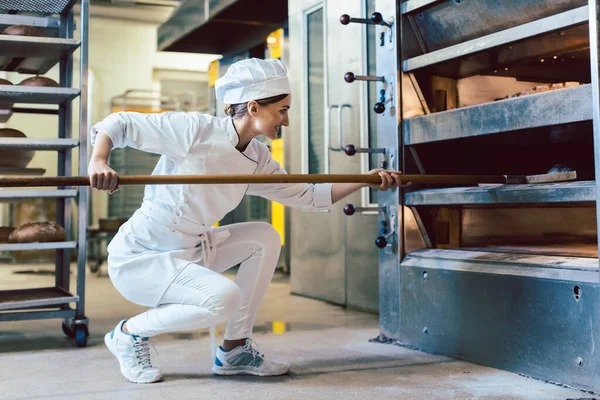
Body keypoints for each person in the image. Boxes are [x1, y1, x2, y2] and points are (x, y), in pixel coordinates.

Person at [88, 58, 405, 384]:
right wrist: (99, 161)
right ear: (254, 107)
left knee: (265, 237)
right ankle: (128, 334)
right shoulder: (196, 130)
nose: (287, 120)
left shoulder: (257, 158)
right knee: (224, 299)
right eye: (282, 110)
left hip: (194, 248)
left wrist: (365, 180)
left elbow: (308, 197)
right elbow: (119, 123)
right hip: (145, 256)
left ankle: (235, 349)